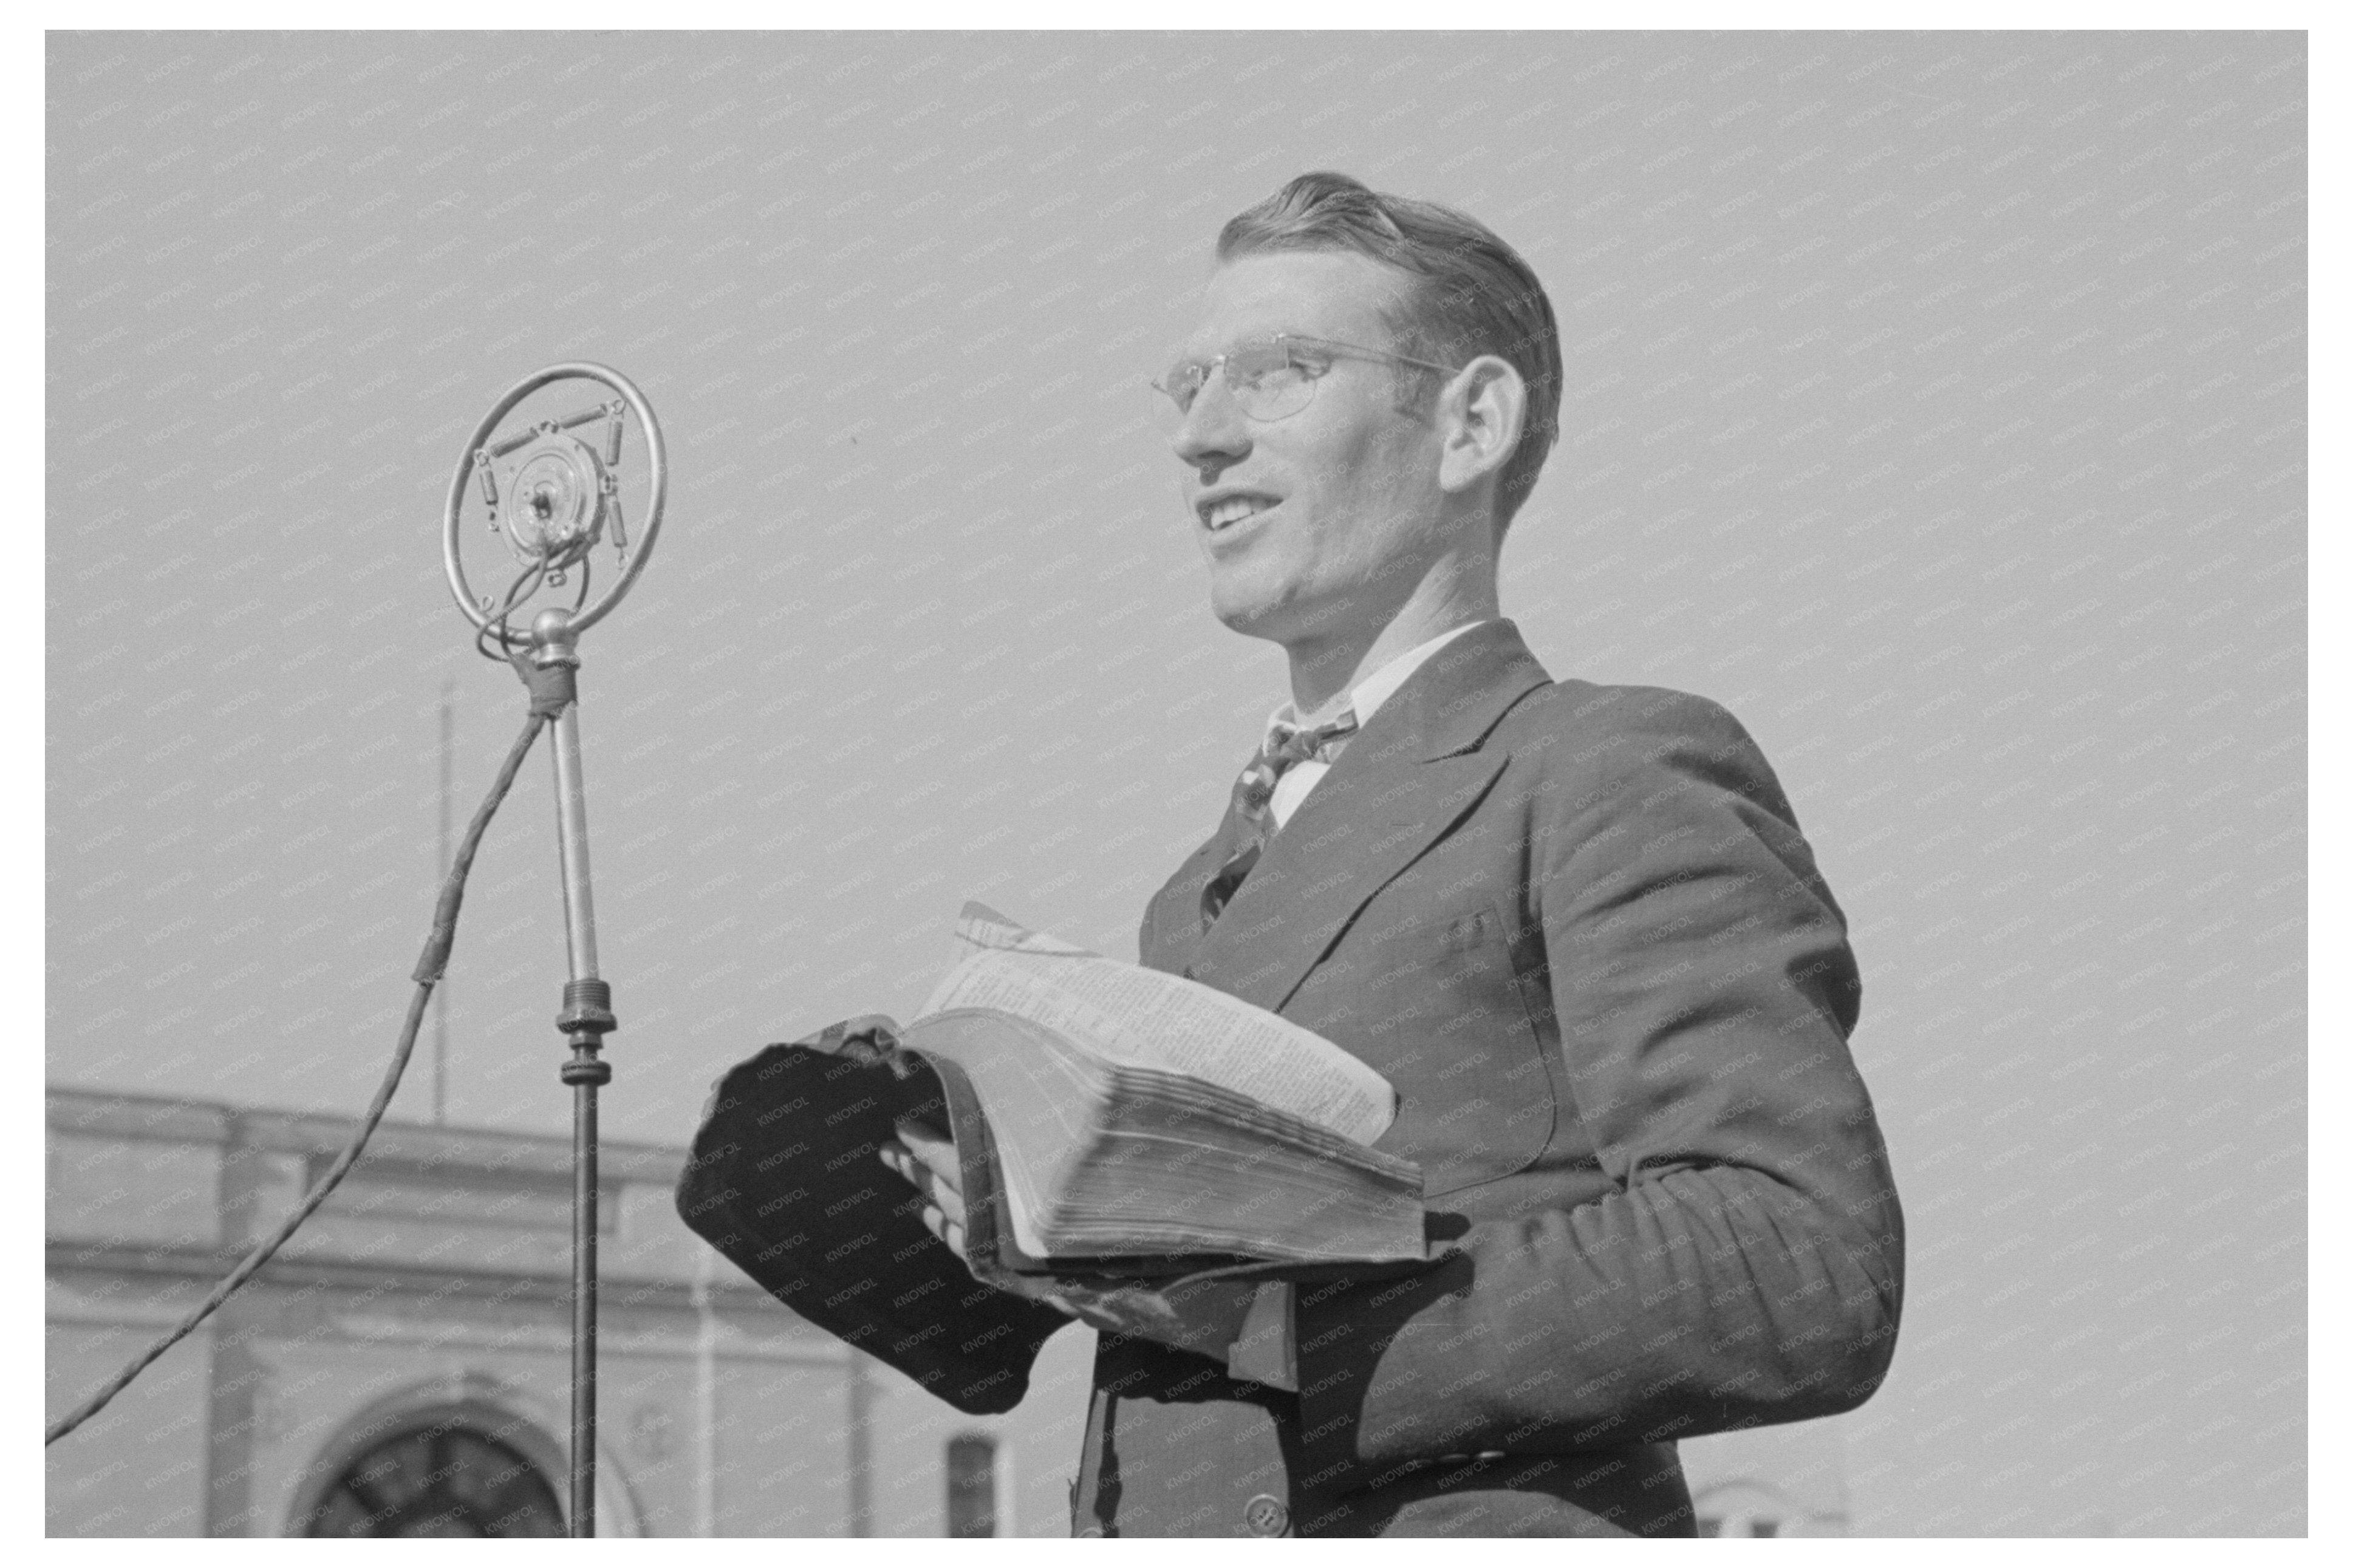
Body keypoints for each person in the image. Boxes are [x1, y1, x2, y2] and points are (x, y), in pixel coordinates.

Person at [872, 170, 1903, 1537]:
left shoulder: (1605, 766)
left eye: (1280, 371)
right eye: (1185, 384)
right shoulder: (1188, 895)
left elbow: (1793, 1262)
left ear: (1470, 423)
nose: (1200, 434)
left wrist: (1281, 1326)